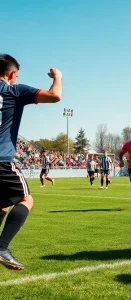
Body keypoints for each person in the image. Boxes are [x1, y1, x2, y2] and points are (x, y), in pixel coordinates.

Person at [0, 54, 62, 270]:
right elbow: (55, 95)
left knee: (4, 202)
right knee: (26, 199)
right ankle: (2, 247)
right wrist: (58, 76)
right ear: (12, 74)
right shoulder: (13, 91)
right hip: (1, 160)